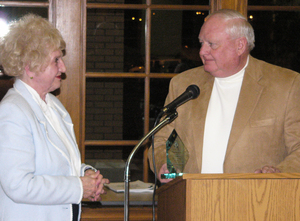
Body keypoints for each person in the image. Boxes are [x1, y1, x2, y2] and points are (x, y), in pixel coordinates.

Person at [148, 9, 300, 183]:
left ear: (240, 46)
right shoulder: (184, 84)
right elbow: (161, 140)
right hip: (193, 201)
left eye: (212, 44)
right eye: (201, 43)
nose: (202, 51)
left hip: (256, 202)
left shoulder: (286, 85)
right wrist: (165, 165)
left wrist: (280, 172)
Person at [0, 14, 109, 220]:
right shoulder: (12, 111)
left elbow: (62, 163)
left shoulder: (52, 104)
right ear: (31, 67)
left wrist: (87, 174)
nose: (63, 68)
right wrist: (78, 187)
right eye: (56, 60)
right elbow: (18, 185)